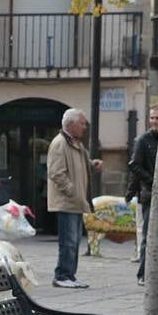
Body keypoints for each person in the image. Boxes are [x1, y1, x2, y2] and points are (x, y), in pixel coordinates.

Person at [46, 108, 103, 288]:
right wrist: (72, 191)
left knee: (75, 241)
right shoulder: (60, 143)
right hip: (66, 202)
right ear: (71, 124)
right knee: (68, 242)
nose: (85, 127)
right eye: (82, 123)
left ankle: (70, 275)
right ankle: (62, 275)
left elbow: (83, 166)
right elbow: (56, 173)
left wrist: (93, 165)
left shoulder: (76, 144)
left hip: (75, 202)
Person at [127, 106, 158, 285]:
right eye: (152, 118)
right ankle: (143, 274)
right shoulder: (143, 140)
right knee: (148, 236)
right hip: (149, 193)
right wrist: (152, 181)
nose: (155, 121)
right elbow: (134, 166)